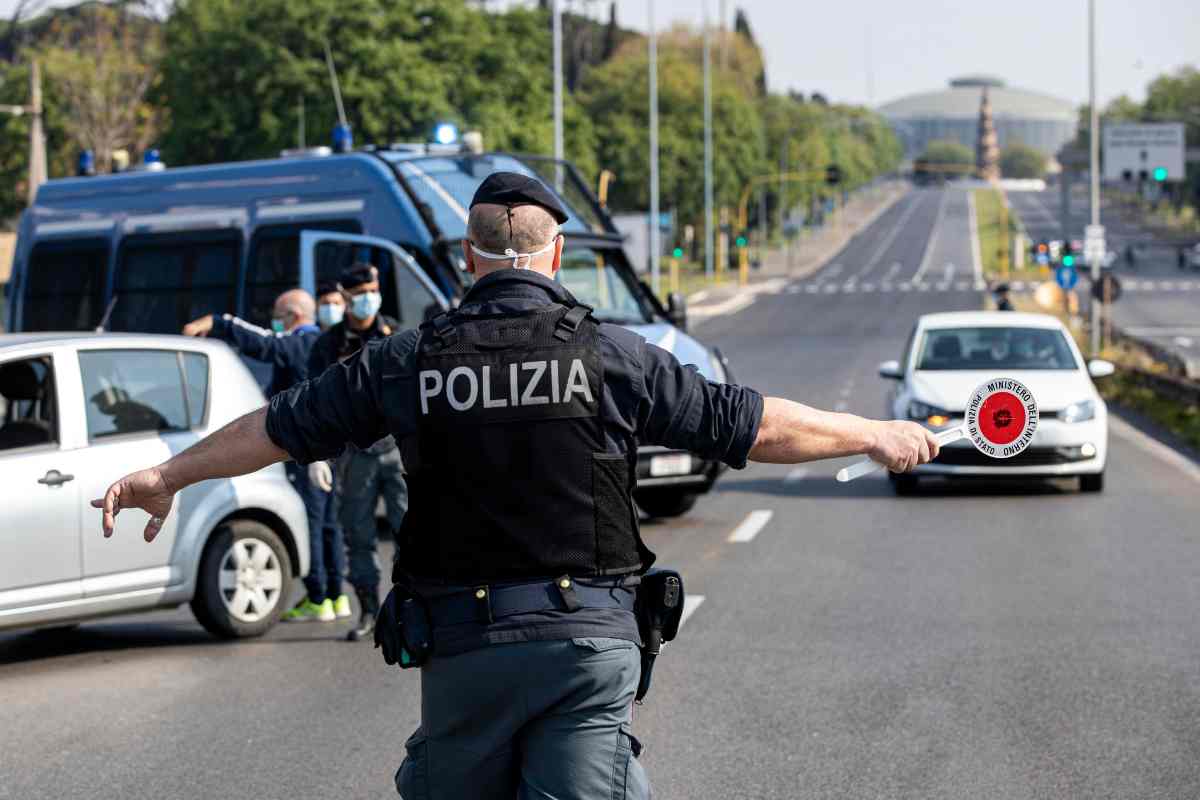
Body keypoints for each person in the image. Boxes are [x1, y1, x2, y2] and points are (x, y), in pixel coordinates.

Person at [94, 172, 939, 799]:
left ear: (467, 259)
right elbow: (750, 423)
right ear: (556, 254)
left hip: (465, 652)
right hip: (587, 648)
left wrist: (168, 473)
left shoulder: (408, 360)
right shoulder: (608, 355)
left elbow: (276, 427)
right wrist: (875, 432)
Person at [182, 289, 349, 623]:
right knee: (331, 525)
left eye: (278, 315)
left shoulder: (303, 342)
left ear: (293, 316)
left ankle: (318, 597)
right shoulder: (330, 344)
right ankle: (336, 595)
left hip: (309, 450)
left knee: (313, 523)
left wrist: (219, 323)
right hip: (335, 448)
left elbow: (264, 343)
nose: (275, 322)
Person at [308, 264, 407, 642]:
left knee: (410, 533)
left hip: (398, 450)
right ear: (347, 298)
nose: (368, 299)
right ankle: (368, 609)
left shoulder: (395, 332)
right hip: (354, 454)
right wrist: (316, 453)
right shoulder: (328, 345)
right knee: (359, 536)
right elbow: (312, 400)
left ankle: (410, 606)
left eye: (373, 291)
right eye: (361, 293)